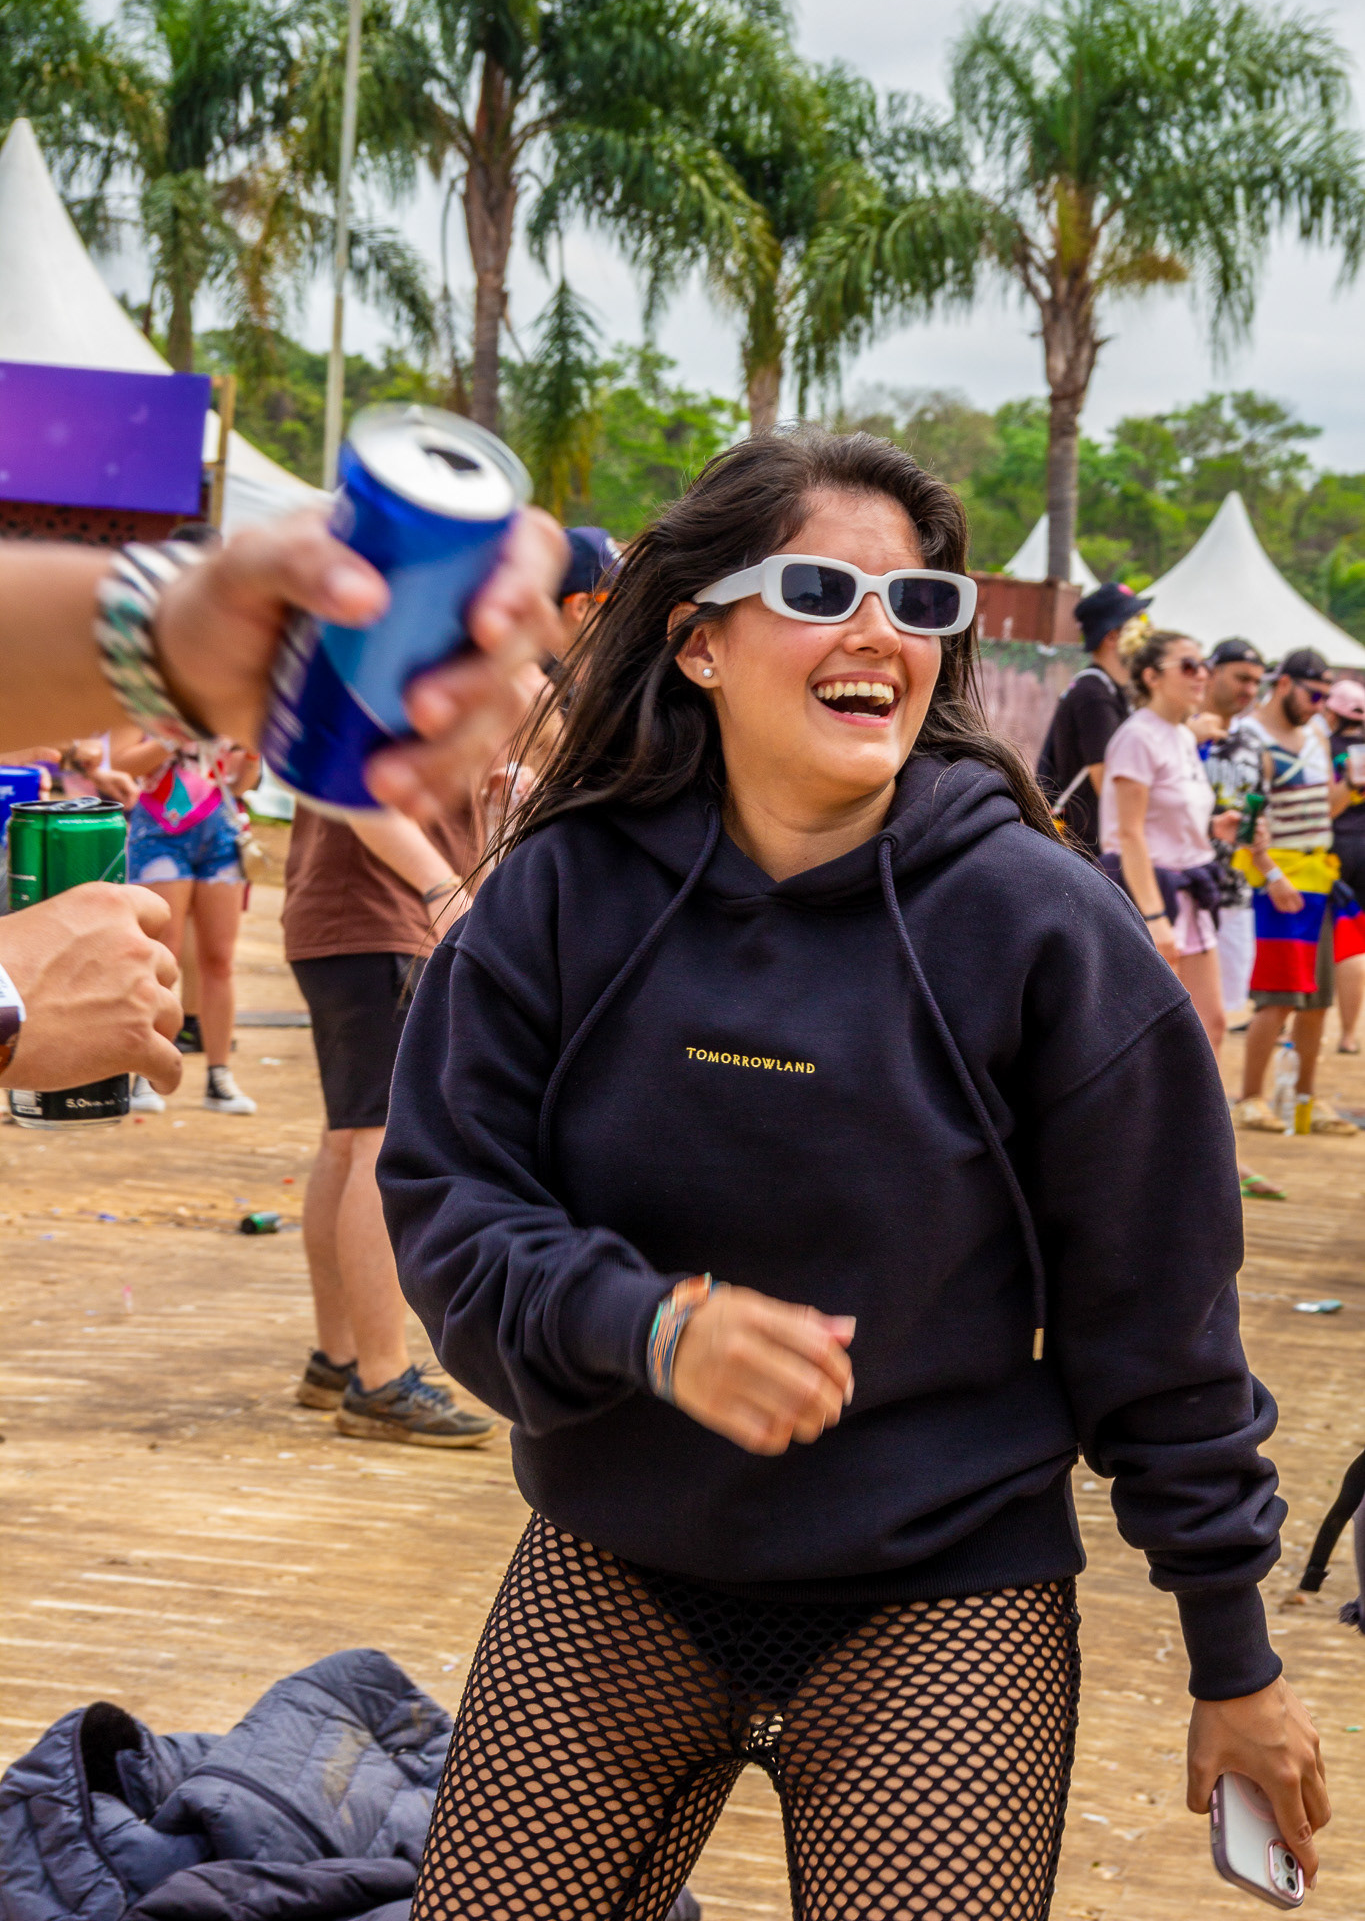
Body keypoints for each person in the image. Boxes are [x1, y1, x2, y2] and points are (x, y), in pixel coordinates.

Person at [380, 429, 1325, 1921]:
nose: (883, 631)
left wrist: (1234, 1660)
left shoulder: (1044, 929)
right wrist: (650, 1327)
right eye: (824, 588)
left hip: (940, 1595)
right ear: (698, 642)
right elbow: (449, 1209)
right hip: (616, 1565)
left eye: (921, 604)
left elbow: (1158, 1330)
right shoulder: (564, 892)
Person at [0, 506, 566, 1099]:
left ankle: (218, 1072)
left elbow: (238, 745)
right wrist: (11, 994)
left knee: (208, 961)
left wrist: (190, 633)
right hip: (300, 889)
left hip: (218, 825)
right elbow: (364, 796)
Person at [286, 802, 495, 1448]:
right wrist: (446, 892)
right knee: (376, 1141)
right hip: (382, 920)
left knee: (348, 1139)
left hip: (350, 921)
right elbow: (359, 791)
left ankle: (340, 1360)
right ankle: (380, 1380)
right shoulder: (387, 695)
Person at [1233, 648, 1365, 1134]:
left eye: (1327, 697)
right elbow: (1246, 820)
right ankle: (1251, 1098)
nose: (1320, 705)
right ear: (1285, 684)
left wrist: (1351, 788)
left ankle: (1304, 1103)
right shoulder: (1250, 737)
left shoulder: (1316, 734)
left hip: (1319, 877)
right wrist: (1270, 874)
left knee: (1318, 999)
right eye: (1315, 694)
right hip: (1278, 880)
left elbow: (1323, 813)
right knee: (1278, 996)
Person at [1098, 631, 1235, 1057]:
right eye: (1190, 666)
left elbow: (1165, 816)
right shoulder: (1139, 736)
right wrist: (1155, 917)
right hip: (1151, 893)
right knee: (1152, 1036)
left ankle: (1188, 1123)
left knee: (1210, 1026)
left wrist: (1214, 826)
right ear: (1152, 676)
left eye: (1205, 666)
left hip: (1189, 891)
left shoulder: (1179, 735)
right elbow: (1129, 831)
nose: (1202, 676)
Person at [116, 735, 259, 1115]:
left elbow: (239, 784)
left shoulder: (230, 696)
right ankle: (145, 1075)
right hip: (160, 830)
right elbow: (123, 761)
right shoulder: (147, 691)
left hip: (223, 831)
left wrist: (253, 753)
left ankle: (219, 1076)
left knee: (220, 961)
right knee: (164, 956)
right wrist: (177, 733)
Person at [1036, 579, 1149, 852]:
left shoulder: (1111, 689)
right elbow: (1109, 784)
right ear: (1112, 637)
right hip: (1088, 851)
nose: (1149, 636)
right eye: (1140, 625)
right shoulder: (1094, 693)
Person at [1196, 639, 1268, 1021]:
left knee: (1219, 1018)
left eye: (1257, 682)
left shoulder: (1253, 745)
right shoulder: (1178, 732)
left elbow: (1259, 813)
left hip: (1234, 892)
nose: (1250, 690)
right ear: (1212, 672)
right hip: (1185, 889)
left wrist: (1265, 858)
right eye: (1242, 678)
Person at [1323, 679, 1365, 1053]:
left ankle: (1288, 1021)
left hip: (1336, 846)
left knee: (1319, 938)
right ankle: (1349, 1035)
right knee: (1355, 943)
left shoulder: (1325, 749)